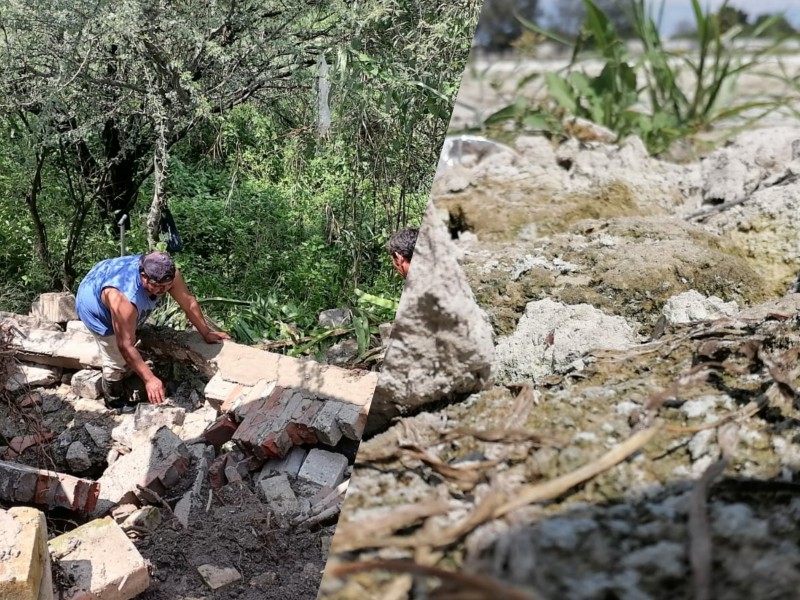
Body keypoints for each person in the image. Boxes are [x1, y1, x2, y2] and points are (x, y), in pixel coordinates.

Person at [76, 252, 230, 410]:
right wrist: (150, 379)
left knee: (131, 329)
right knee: (116, 359)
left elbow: (188, 303)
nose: (161, 291)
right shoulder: (124, 299)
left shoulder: (169, 273)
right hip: (93, 307)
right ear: (143, 275)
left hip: (110, 280)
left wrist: (206, 332)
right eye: (156, 286)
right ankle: (115, 401)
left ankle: (133, 366)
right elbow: (125, 345)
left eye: (167, 286)